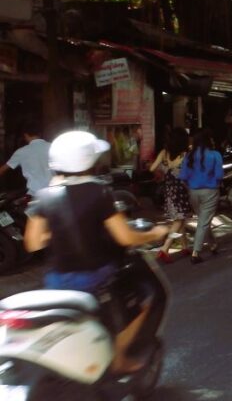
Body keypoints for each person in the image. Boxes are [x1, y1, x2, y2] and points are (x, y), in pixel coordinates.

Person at [24, 130, 168, 375]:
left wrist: (59, 232)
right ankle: (119, 359)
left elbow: (33, 243)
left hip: (57, 280)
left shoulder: (44, 196)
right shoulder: (99, 192)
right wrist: (154, 234)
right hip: (96, 276)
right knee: (144, 300)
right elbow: (125, 237)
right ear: (89, 161)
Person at [178, 128, 223, 264]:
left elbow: (183, 177)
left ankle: (213, 244)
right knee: (203, 222)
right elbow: (219, 175)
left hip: (193, 192)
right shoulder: (215, 155)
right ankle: (195, 252)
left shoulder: (189, 156)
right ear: (208, 140)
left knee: (203, 220)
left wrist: (190, 188)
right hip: (210, 191)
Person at [151, 127, 192, 263]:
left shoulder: (164, 153)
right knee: (179, 220)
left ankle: (185, 246)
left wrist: (164, 167)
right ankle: (165, 248)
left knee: (180, 220)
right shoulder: (185, 154)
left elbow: (152, 168)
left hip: (169, 191)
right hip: (181, 190)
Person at [0, 121, 51, 197]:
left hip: (35, 194)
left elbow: (3, 169)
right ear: (40, 134)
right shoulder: (52, 147)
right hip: (54, 192)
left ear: (26, 135)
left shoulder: (21, 152)